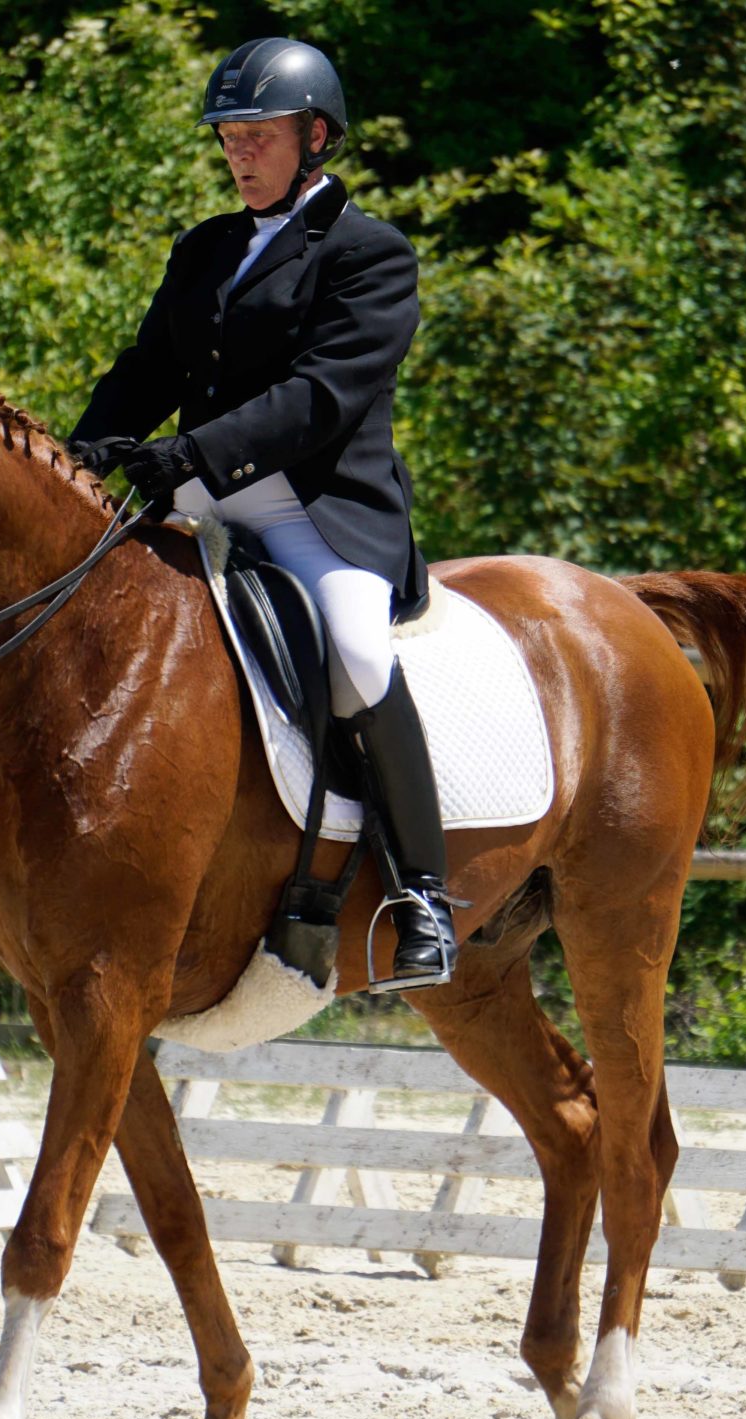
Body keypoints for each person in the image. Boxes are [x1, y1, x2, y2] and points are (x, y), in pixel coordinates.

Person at [68, 37, 457, 987]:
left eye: (260, 136)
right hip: (200, 496)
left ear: (315, 137)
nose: (239, 154)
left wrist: (189, 453)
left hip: (316, 510)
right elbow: (146, 371)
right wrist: (77, 454)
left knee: (357, 657)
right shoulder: (204, 247)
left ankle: (423, 897)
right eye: (230, 138)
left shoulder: (371, 254)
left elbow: (321, 396)